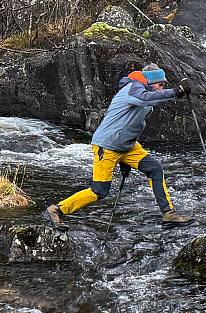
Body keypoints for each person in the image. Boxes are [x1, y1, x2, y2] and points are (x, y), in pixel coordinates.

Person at [47, 64, 192, 227]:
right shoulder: (133, 88)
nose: (161, 88)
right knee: (99, 191)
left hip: (127, 146)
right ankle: (57, 210)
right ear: (151, 81)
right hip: (107, 145)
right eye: (160, 85)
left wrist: (124, 158)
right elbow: (144, 98)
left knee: (154, 168)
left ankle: (168, 214)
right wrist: (176, 91)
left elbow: (134, 123)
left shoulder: (146, 97)